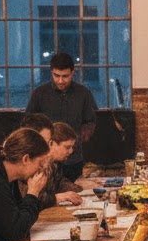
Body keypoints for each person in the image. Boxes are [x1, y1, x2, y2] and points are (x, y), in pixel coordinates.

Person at [24, 53, 97, 182]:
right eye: (56, 76)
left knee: (74, 194)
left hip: (73, 158)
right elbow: (28, 125)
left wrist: (78, 139)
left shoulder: (83, 93)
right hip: (45, 159)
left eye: (65, 76)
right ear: (51, 72)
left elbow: (90, 122)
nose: (60, 81)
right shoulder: (39, 94)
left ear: (73, 73)